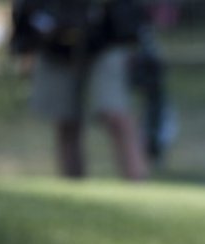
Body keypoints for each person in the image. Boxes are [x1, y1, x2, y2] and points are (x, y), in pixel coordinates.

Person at [11, 0, 149, 180]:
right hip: (55, 47)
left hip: (106, 40)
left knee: (116, 115)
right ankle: (73, 190)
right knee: (66, 121)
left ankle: (137, 184)